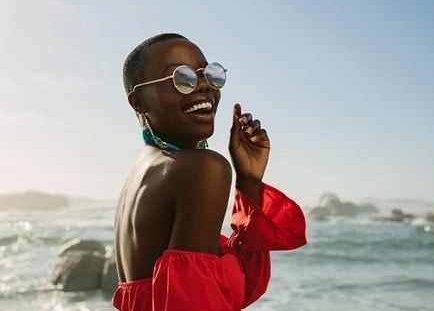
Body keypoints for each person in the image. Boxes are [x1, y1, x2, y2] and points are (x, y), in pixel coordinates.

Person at [113, 33, 307, 311]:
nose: (204, 86)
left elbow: (218, 289)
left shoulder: (140, 175)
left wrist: (249, 182)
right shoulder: (201, 168)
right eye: (182, 79)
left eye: (209, 74)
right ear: (139, 102)